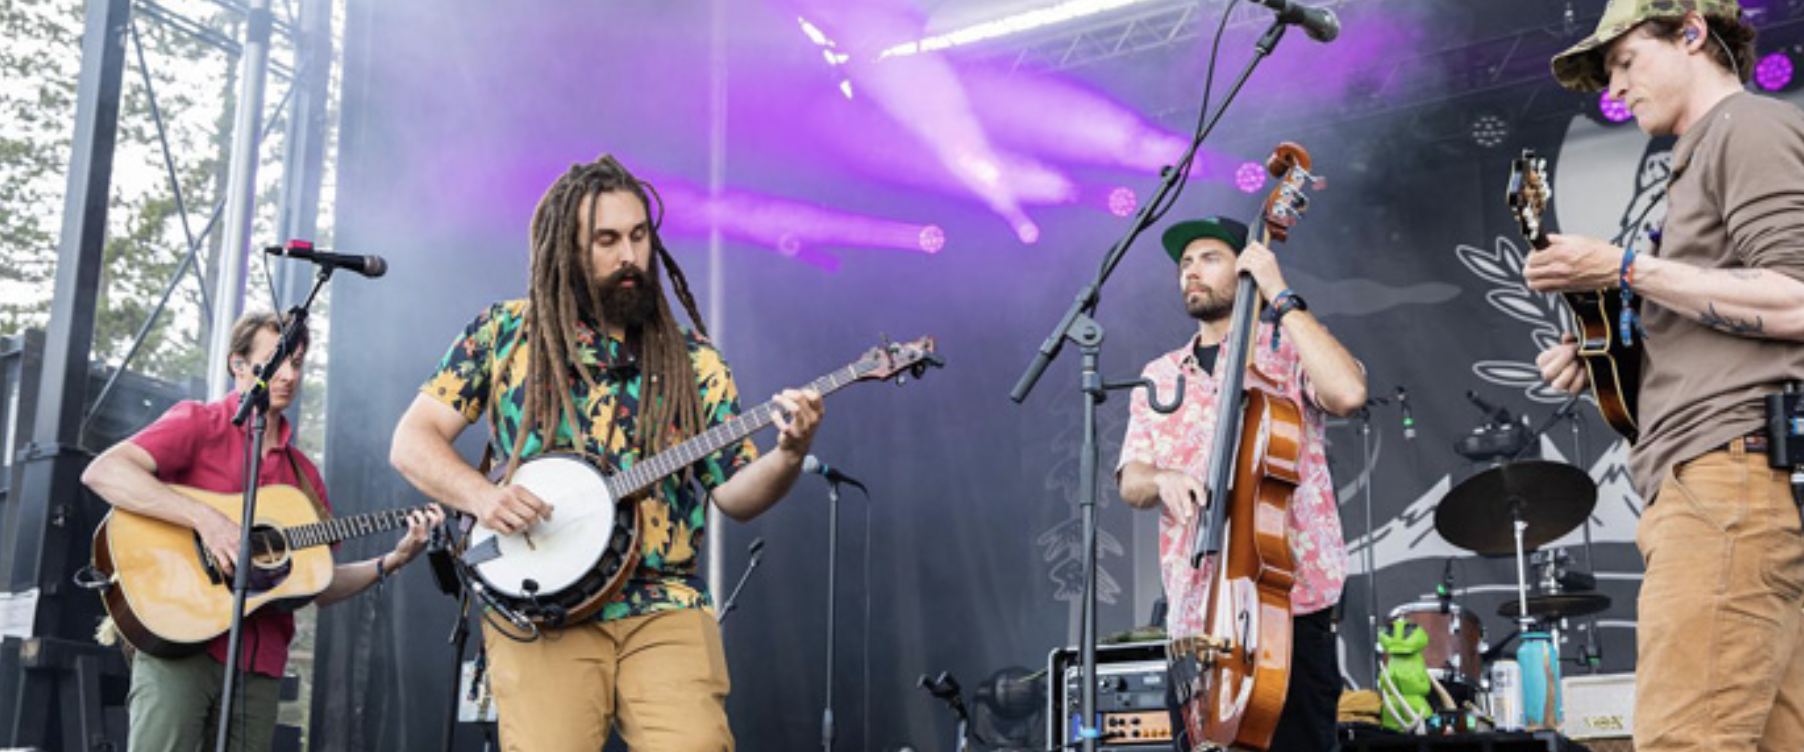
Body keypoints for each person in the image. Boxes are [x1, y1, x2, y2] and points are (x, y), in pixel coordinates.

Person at [389, 154, 824, 752]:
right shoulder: (504, 334)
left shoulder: (694, 361)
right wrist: (483, 498)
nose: (630, 256)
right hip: (541, 610)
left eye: (639, 236)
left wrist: (790, 455)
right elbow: (412, 441)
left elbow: (736, 494)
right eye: (608, 240)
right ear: (569, 249)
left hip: (663, 602)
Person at [1536, 2, 1804, 749]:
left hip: (1728, 480)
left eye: (1625, 61)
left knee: (1685, 739)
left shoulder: (1746, 128)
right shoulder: (1705, 152)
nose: (1616, 88)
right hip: (1738, 480)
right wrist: (1609, 358)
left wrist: (1625, 268)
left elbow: (1796, 297)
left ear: (1691, 32)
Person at [81, 310, 442, 752]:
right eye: (276, 361)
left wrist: (392, 561)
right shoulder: (200, 422)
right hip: (180, 642)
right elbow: (105, 472)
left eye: (297, 362)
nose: (289, 375)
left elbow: (319, 583)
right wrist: (206, 520)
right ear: (238, 364)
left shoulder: (305, 478)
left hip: (260, 666)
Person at [1115, 216, 1366, 751]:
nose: (1191, 271)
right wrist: (1161, 478)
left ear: (1246, 266)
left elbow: (1347, 394)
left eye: (1210, 258)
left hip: (1285, 609)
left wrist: (1279, 292)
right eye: (1185, 263)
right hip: (1194, 615)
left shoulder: (1288, 348)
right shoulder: (1161, 375)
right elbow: (1131, 480)